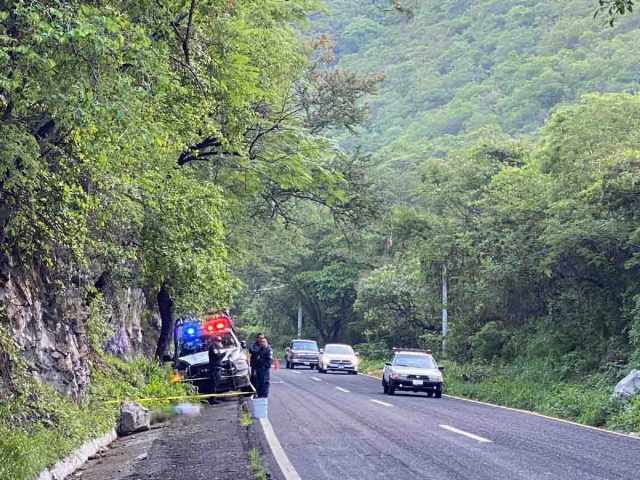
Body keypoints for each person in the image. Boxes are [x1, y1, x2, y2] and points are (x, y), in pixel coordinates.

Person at [208, 336, 225, 405]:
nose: (219, 342)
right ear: (214, 341)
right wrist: (224, 354)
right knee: (214, 384)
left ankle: (213, 398)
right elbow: (218, 357)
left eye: (220, 341)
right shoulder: (213, 348)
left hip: (217, 368)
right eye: (218, 341)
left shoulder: (216, 348)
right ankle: (212, 399)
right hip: (214, 369)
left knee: (216, 383)